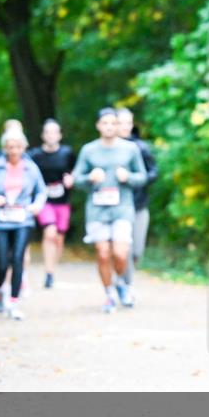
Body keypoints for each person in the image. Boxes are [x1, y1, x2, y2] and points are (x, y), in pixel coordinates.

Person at [71, 107, 148, 313]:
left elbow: (143, 176)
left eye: (113, 123)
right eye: (104, 123)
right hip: (97, 209)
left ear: (118, 125)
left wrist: (128, 177)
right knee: (103, 253)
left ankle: (121, 282)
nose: (108, 127)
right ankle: (109, 294)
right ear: (98, 126)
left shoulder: (130, 149)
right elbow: (75, 179)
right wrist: (89, 178)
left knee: (121, 253)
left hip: (122, 208)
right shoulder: (89, 150)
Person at [0, 128, 47, 320]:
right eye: (10, 147)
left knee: (17, 258)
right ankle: (0, 289)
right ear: (4, 148)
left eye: (17, 146)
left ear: (23, 147)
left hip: (23, 219)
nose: (14, 150)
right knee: (1, 263)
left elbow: (41, 191)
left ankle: (14, 302)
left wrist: (36, 206)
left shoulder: (31, 168)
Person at [28, 119, 76, 288]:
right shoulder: (34, 155)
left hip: (62, 201)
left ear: (60, 135)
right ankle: (48, 273)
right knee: (50, 233)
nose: (51, 136)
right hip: (44, 200)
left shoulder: (67, 153)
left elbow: (75, 171)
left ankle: (52, 270)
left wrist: (71, 179)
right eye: (47, 132)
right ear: (43, 135)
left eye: (54, 132)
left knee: (59, 238)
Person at [115, 108, 157, 292]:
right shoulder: (108, 148)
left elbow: (153, 172)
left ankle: (124, 277)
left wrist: (137, 179)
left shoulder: (141, 147)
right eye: (121, 122)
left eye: (128, 123)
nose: (125, 127)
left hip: (139, 205)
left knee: (136, 251)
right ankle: (126, 285)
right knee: (125, 248)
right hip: (117, 208)